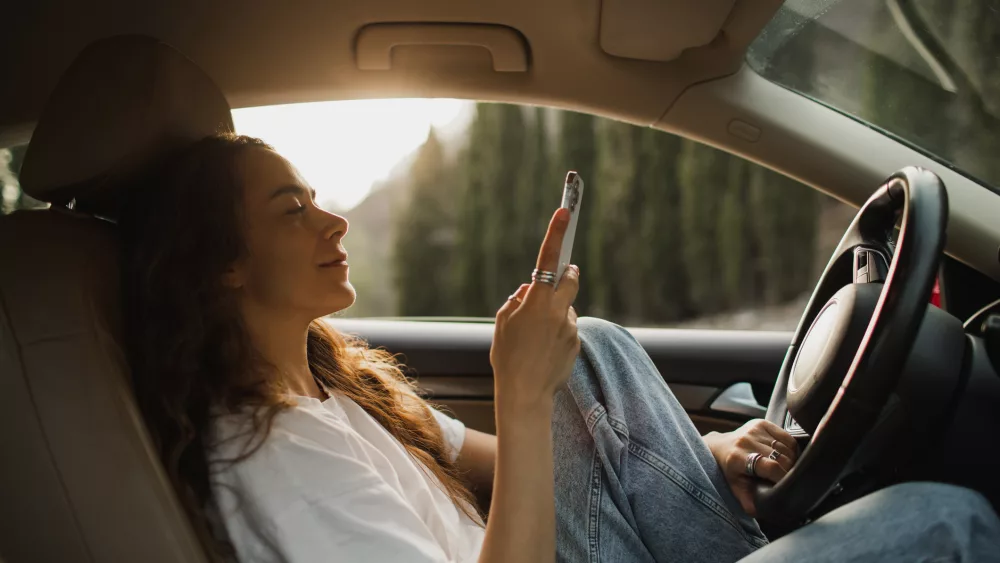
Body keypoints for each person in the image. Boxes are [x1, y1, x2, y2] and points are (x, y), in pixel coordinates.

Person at [117, 133, 1000, 563]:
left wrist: (698, 454)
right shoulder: (273, 458)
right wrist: (522, 389)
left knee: (595, 348)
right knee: (951, 522)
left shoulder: (326, 386)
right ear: (221, 264)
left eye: (314, 195)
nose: (332, 218)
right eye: (290, 209)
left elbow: (500, 462)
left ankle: (742, 518)